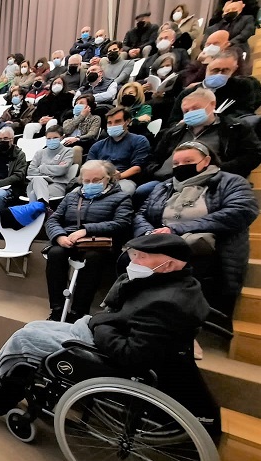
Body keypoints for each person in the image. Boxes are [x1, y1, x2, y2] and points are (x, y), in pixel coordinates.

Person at [0, 233, 219, 438]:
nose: (134, 262)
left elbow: (132, 355)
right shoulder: (174, 284)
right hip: (103, 330)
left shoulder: (167, 303)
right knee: (32, 327)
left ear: (171, 264)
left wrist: (101, 326)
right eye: (134, 255)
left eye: (142, 257)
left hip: (104, 345)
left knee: (25, 339)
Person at [135, 142, 259, 333]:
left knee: (188, 268)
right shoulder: (164, 186)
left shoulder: (231, 181)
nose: (180, 166)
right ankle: (140, 322)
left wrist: (176, 230)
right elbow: (142, 214)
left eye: (188, 161)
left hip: (204, 246)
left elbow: (241, 211)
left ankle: (185, 333)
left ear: (206, 160)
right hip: (161, 242)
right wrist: (149, 234)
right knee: (130, 260)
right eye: (176, 163)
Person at [42, 160, 133, 322]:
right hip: (70, 240)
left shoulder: (122, 197)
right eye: (87, 181)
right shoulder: (72, 196)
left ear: (109, 178)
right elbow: (53, 220)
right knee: (55, 253)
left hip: (100, 243)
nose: (91, 184)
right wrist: (59, 236)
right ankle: (57, 309)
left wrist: (86, 230)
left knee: (93, 257)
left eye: (97, 180)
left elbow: (122, 223)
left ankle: (78, 311)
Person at [138, 88, 261, 203]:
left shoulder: (235, 128)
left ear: (212, 105)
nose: (190, 113)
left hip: (211, 180)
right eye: (186, 111)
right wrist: (156, 171)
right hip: (168, 180)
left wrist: (217, 170)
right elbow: (154, 158)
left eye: (196, 108)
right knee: (141, 192)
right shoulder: (174, 132)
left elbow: (252, 155)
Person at [169, 50, 261, 124]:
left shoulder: (241, 86)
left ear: (234, 69)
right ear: (206, 67)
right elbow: (173, 122)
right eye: (215, 70)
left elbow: (245, 113)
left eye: (225, 70)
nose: (219, 74)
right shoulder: (188, 93)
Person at [87, 107, 151, 195]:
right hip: (98, 180)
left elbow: (137, 168)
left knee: (123, 191)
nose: (113, 125)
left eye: (117, 122)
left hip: (124, 180)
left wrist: (119, 176)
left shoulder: (139, 141)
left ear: (127, 121)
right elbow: (88, 166)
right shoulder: (97, 145)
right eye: (109, 123)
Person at [26, 126, 75, 204]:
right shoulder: (40, 153)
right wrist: (54, 168)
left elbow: (62, 170)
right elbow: (30, 171)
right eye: (49, 138)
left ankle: (40, 207)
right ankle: (44, 205)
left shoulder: (68, 151)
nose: (52, 140)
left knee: (33, 194)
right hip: (36, 184)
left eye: (55, 137)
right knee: (38, 180)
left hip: (57, 184)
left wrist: (41, 167)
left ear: (62, 138)